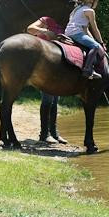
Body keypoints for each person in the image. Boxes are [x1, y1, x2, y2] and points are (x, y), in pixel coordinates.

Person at [25, 16, 68, 144]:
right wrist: (44, 31)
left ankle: (54, 133)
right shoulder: (47, 20)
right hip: (44, 66)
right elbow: (30, 29)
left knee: (55, 100)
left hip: (59, 66)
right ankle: (44, 134)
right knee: (48, 99)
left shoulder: (68, 23)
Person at [65, 0, 106, 81]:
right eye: (96, 0)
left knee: (92, 43)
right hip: (76, 33)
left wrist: (92, 40)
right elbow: (95, 29)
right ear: (91, 0)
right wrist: (100, 43)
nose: (97, 2)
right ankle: (87, 69)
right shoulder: (90, 11)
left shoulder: (77, 9)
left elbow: (85, 29)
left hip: (69, 32)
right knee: (95, 46)